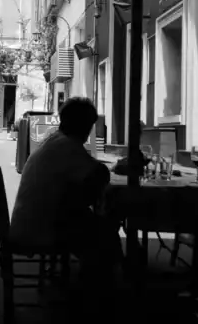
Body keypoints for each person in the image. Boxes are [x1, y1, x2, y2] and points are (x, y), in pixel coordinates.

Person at [9, 97, 119, 274]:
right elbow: (99, 174)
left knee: (97, 226)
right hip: (41, 230)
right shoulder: (67, 146)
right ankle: (99, 290)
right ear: (82, 125)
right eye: (88, 125)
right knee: (105, 234)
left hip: (31, 222)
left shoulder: (55, 141)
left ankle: (93, 280)